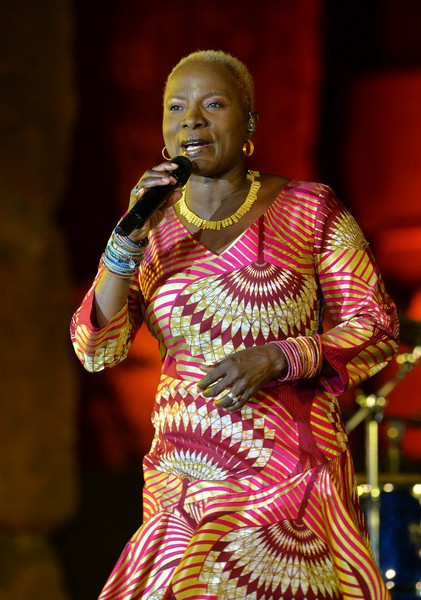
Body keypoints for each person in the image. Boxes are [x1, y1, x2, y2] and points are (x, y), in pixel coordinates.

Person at [71, 49, 399, 599]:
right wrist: (125, 239)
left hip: (288, 483)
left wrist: (281, 356)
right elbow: (95, 346)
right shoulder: (153, 232)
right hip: (182, 488)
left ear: (249, 125)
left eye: (212, 104)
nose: (191, 120)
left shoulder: (309, 210)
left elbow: (377, 326)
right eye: (176, 108)